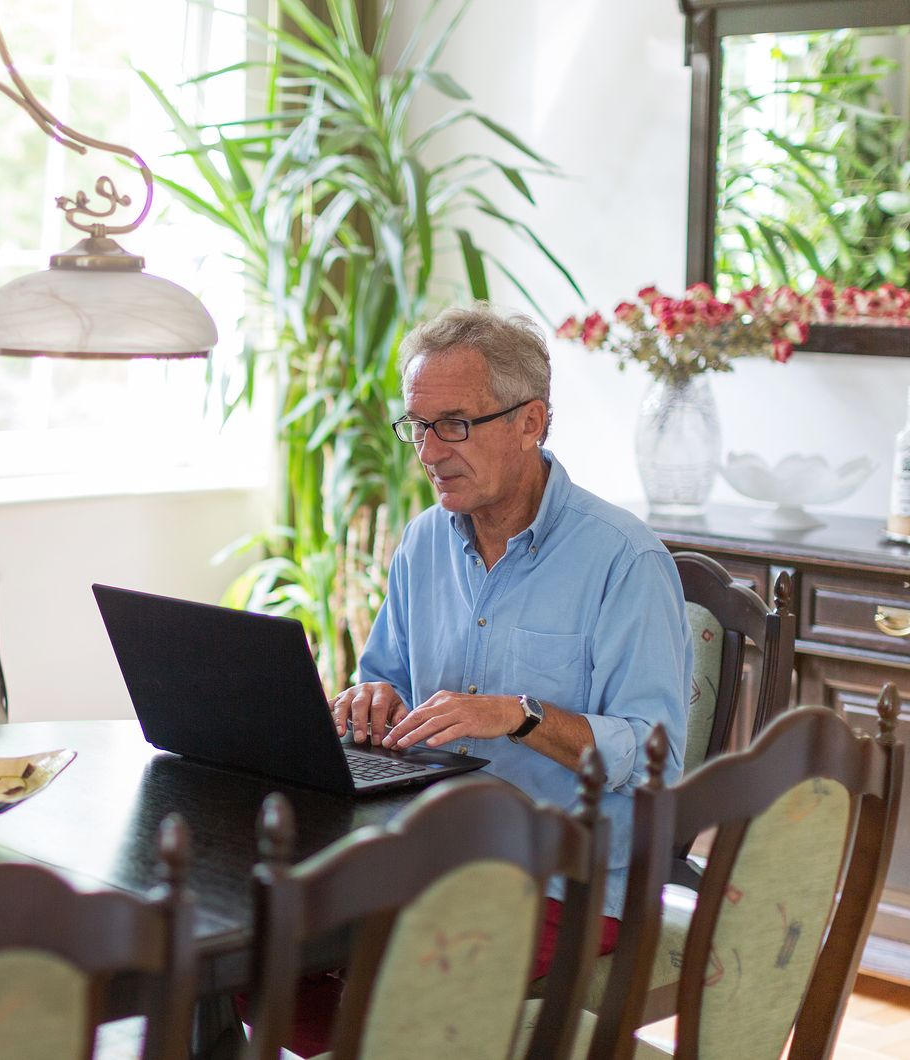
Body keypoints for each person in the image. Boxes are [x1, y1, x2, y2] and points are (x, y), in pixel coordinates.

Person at [296, 304, 690, 1052]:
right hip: (429, 853)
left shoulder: (623, 561)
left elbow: (653, 759)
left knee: (388, 988)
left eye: (455, 424)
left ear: (530, 421)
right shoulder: (421, 543)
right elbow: (383, 680)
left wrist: (519, 715)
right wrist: (370, 697)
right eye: (416, 425)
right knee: (263, 955)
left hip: (564, 881)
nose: (429, 451)